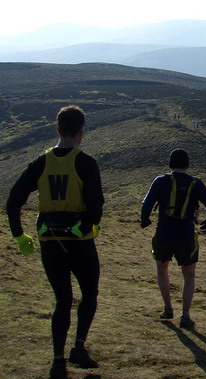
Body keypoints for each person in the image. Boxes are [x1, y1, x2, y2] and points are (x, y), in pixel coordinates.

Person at [6, 105, 103, 379]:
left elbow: (13, 202)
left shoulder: (40, 162)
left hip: (49, 241)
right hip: (80, 242)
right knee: (89, 295)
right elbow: (96, 207)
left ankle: (58, 362)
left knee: (62, 300)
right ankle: (79, 347)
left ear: (57, 129)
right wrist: (86, 224)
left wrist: (18, 234)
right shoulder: (85, 162)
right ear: (81, 131)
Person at [140, 149, 206, 330]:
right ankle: (185, 315)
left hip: (163, 234)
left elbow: (147, 203)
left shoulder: (161, 181)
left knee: (162, 268)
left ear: (170, 164)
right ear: (187, 164)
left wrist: (145, 220)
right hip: (186, 235)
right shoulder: (196, 183)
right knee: (189, 274)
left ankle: (167, 308)